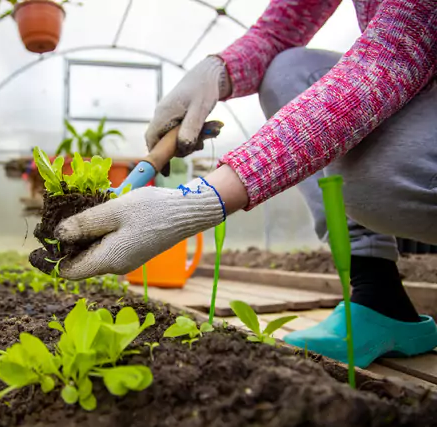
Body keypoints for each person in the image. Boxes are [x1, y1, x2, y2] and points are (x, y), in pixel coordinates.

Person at [35, 0, 437, 368]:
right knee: (289, 70)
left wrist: (198, 200)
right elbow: (280, 30)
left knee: (370, 179)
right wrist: (216, 72)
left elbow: (391, 57)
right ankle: (378, 296)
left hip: (403, 70)